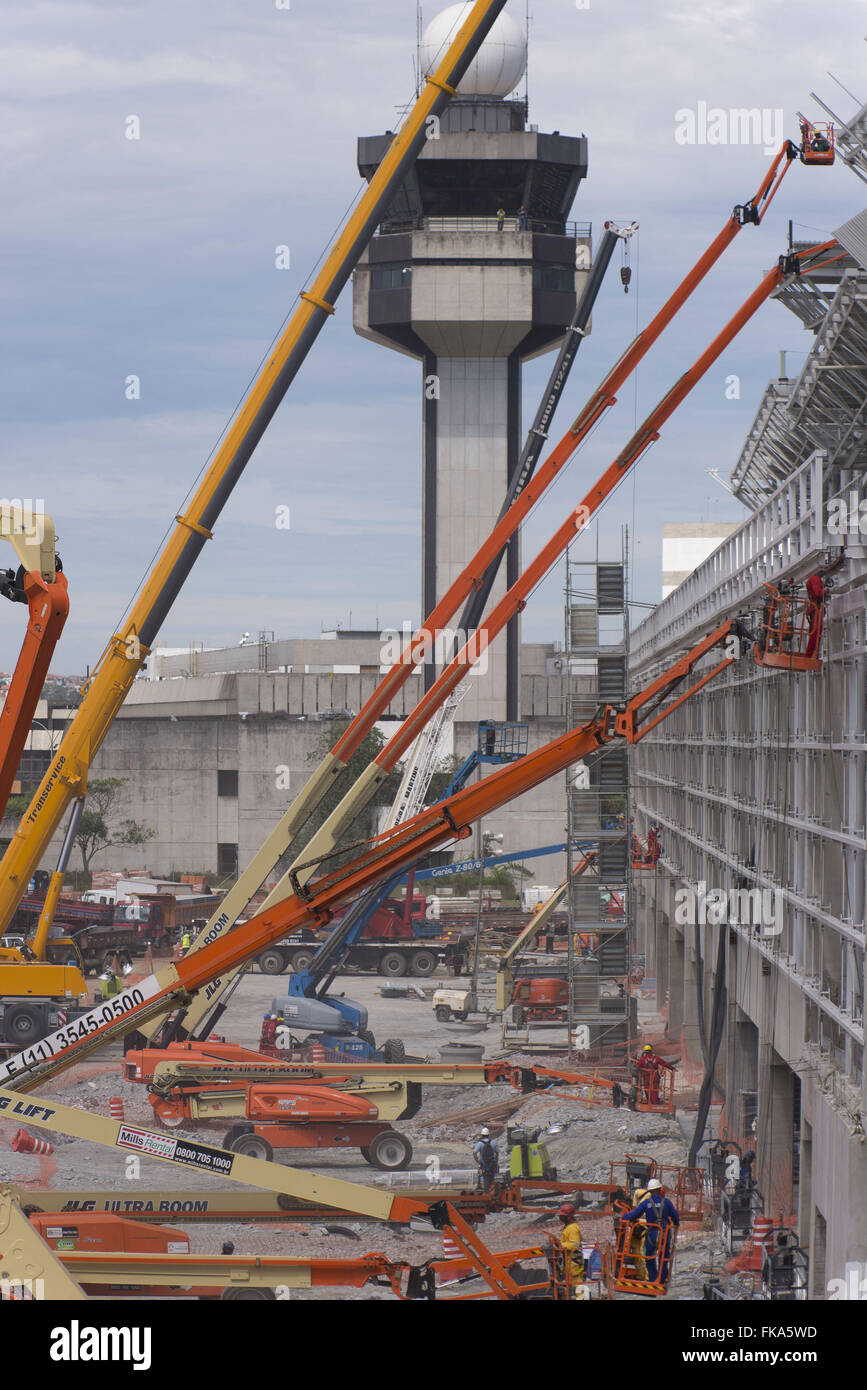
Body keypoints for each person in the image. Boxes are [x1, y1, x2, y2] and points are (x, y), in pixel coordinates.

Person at [623, 1178, 679, 1284]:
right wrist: (676, 1224)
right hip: (664, 1234)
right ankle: (661, 1280)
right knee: (664, 1257)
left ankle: (653, 1279)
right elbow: (675, 1217)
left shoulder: (646, 1203)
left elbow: (634, 1214)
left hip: (652, 1234)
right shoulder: (666, 1202)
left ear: (649, 1191)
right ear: (659, 1189)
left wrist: (624, 1216)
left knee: (649, 1257)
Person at [556, 1203, 586, 1292]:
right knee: (571, 1283)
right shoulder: (568, 1227)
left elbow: (575, 1244)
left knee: (577, 1284)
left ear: (569, 1217)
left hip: (574, 1261)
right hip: (570, 1259)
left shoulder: (572, 1228)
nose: (560, 1217)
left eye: (562, 1215)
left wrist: (561, 1245)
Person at [804, 572, 826, 659]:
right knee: (815, 634)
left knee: (815, 634)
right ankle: (809, 656)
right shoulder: (815, 579)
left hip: (814, 609)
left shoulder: (813, 579)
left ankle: (811, 655)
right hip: (816, 609)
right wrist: (826, 591)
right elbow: (818, 593)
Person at [473, 1126, 499, 1191]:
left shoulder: (480, 1143)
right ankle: (491, 1191)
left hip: (484, 1164)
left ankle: (486, 1192)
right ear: (488, 1135)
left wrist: (478, 1161)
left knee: (485, 1178)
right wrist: (496, 1162)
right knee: (492, 1178)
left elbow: (474, 1153)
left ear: (482, 1135)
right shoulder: (493, 1142)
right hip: (492, 1164)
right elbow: (497, 1153)